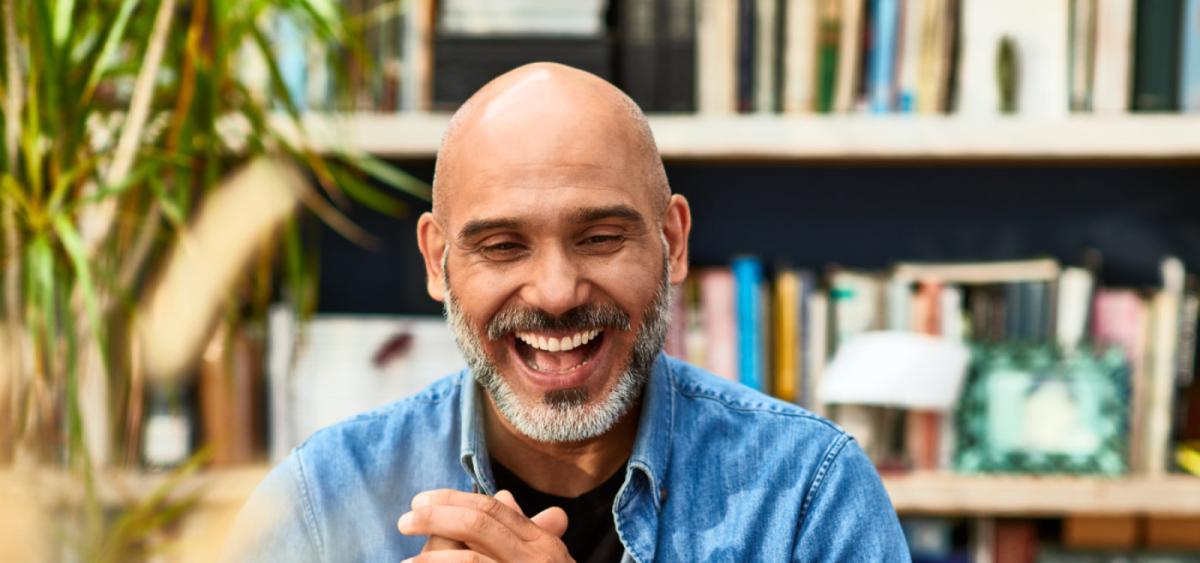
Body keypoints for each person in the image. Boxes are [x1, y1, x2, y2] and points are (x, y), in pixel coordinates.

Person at [223, 62, 909, 562]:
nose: (556, 293)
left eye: (601, 238)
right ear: (437, 261)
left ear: (672, 243)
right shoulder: (320, 501)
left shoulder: (808, 491)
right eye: (502, 246)